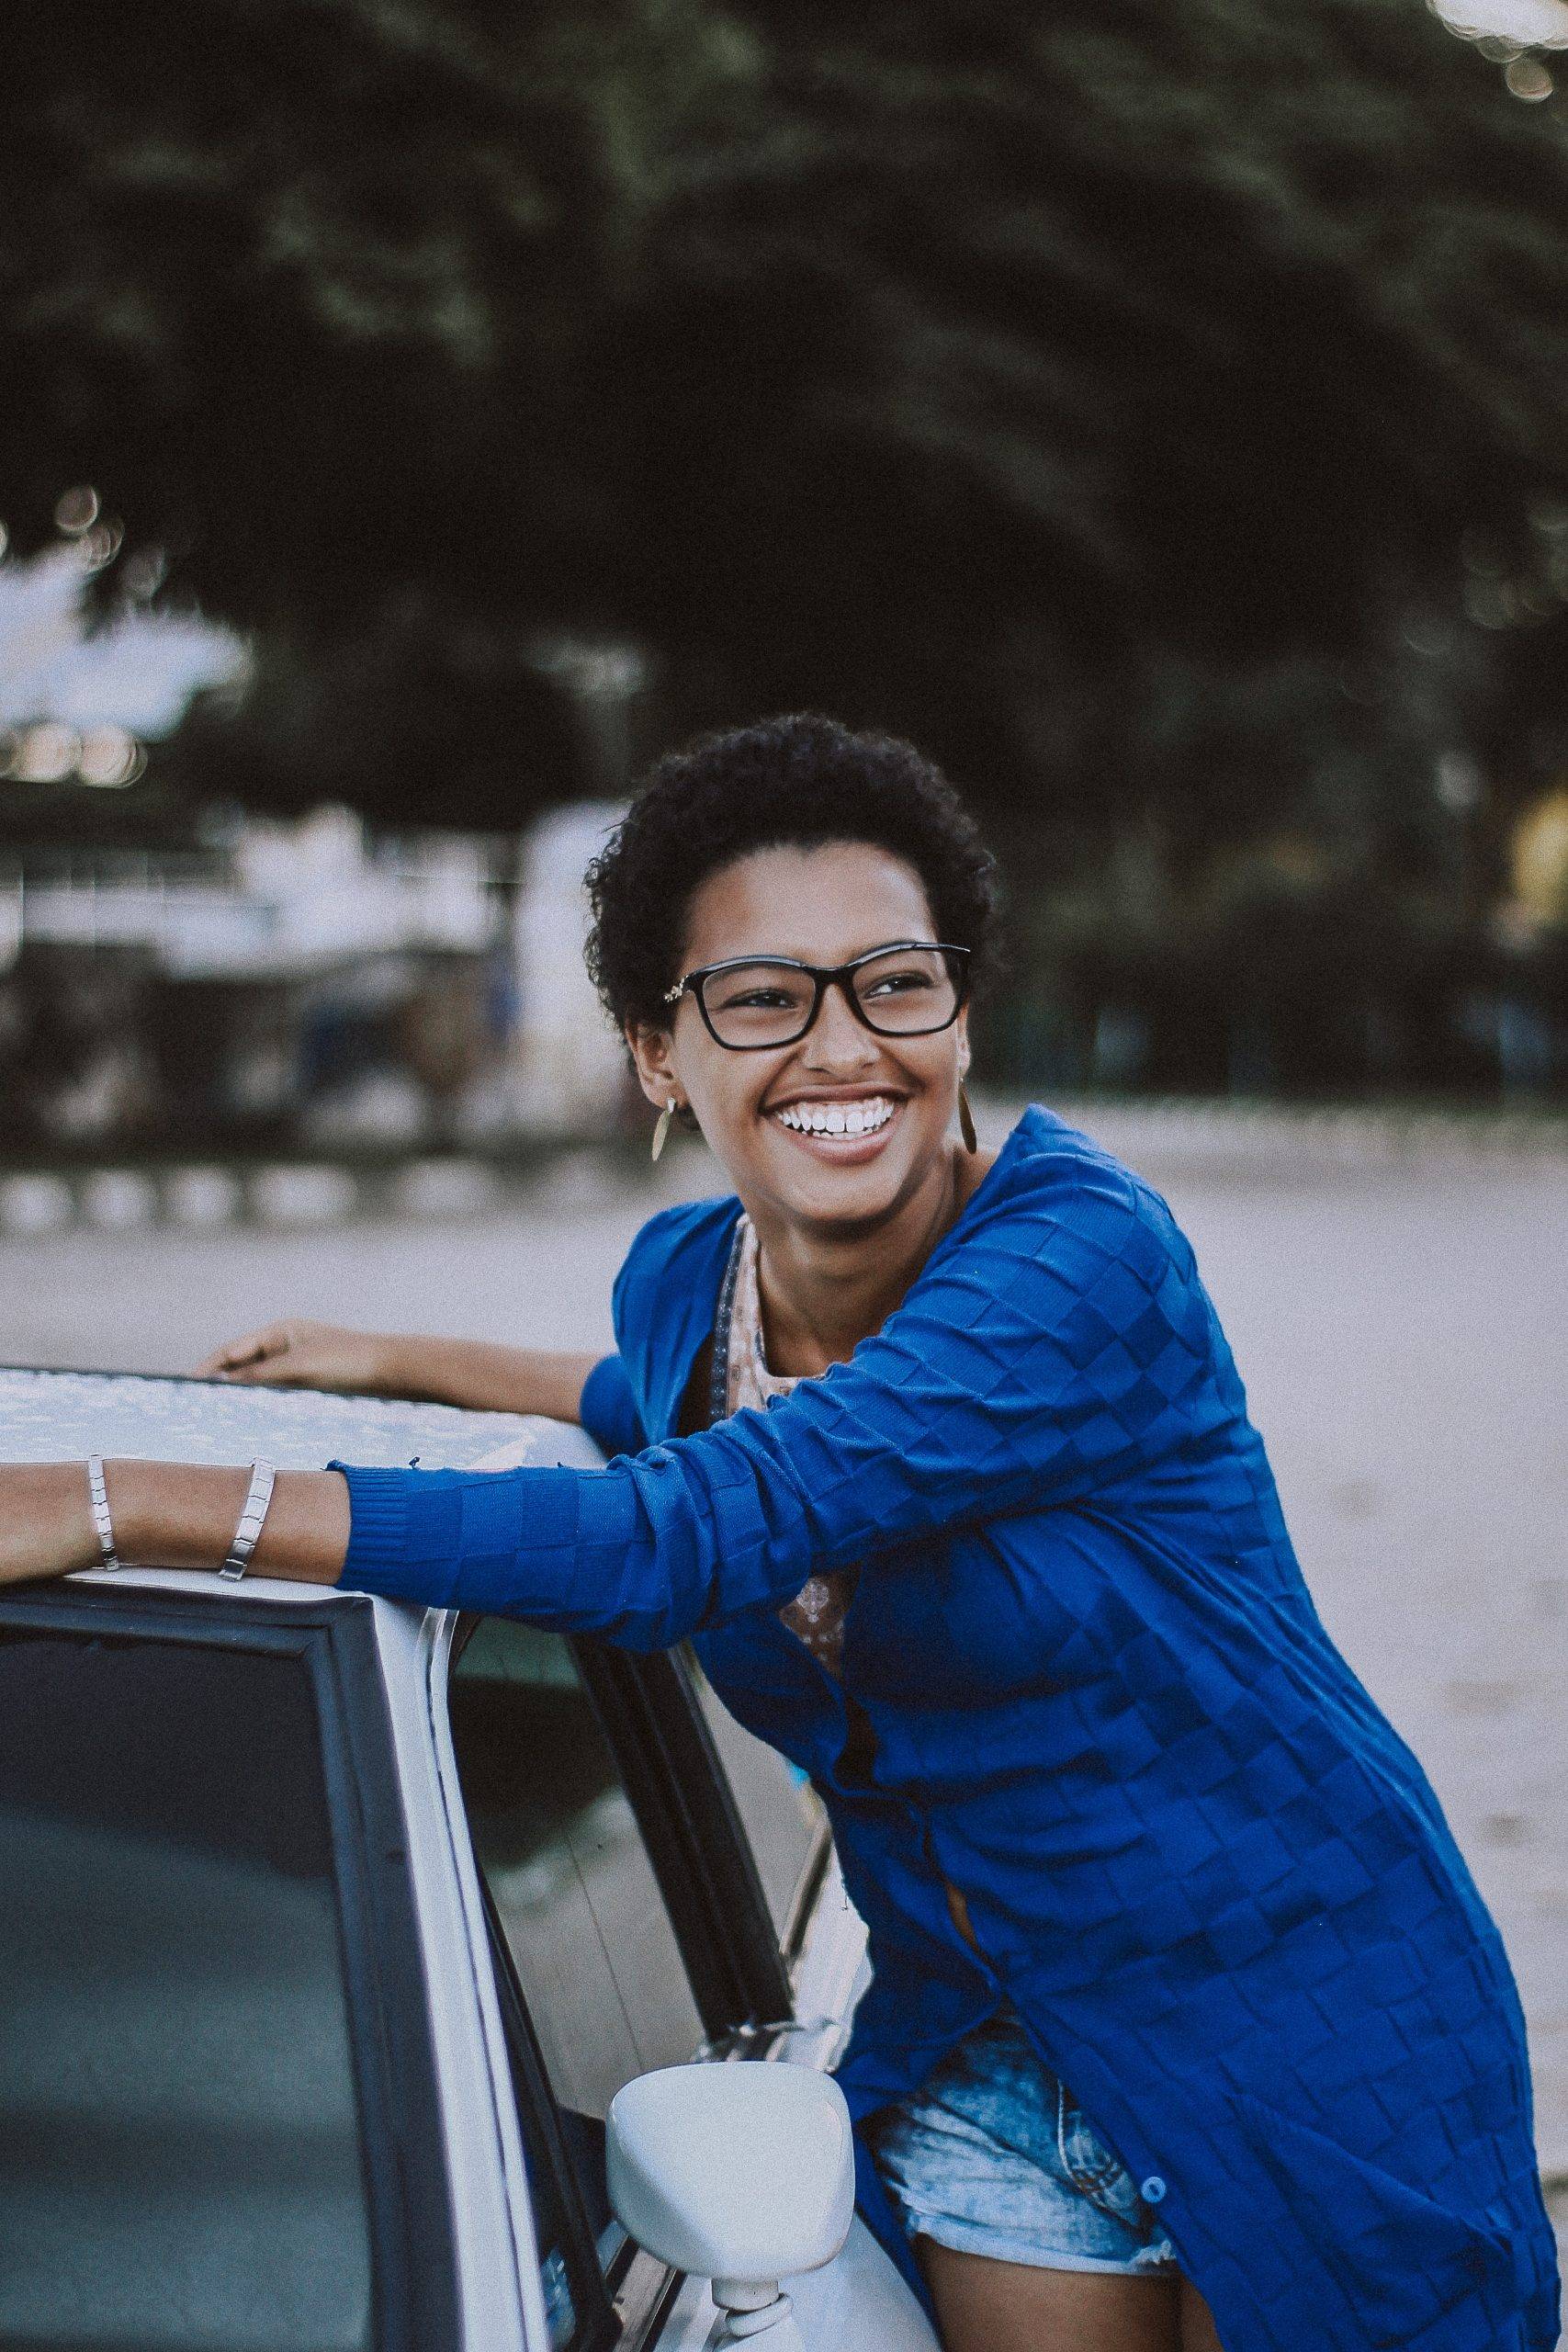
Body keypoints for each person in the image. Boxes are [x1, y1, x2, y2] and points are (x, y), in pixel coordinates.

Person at [1, 715, 1557, 2352]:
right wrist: (395, 1357)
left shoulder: (1083, 1261)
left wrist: (121, 1497)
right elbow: (688, 1407)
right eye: (760, 997)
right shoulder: (683, 1291)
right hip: (988, 2056)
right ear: (657, 1051)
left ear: (961, 1007)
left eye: (895, 979)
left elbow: (696, 1525)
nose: (840, 1046)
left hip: (1296, 2016)